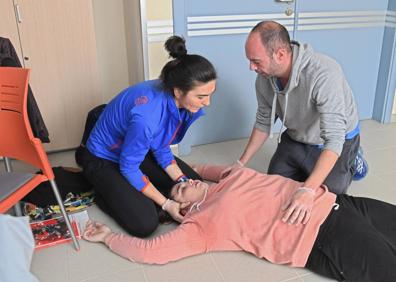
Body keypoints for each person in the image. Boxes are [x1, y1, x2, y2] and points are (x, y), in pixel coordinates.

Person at [83, 164, 396, 282]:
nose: (184, 181)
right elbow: (151, 252)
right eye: (178, 188)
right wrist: (109, 237)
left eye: (183, 179)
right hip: (321, 236)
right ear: (180, 208)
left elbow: (199, 167)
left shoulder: (227, 176)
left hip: (336, 201)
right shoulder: (202, 224)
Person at [76, 35, 217, 237]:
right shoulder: (147, 116)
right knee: (145, 223)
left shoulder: (173, 94)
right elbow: (129, 166)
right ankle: (100, 188)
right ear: (178, 91)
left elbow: (160, 146)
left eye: (211, 94)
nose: (207, 103)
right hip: (103, 158)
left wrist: (183, 179)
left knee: (194, 181)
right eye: (201, 97)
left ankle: (137, 193)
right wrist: (166, 204)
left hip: (134, 150)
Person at [229, 21, 368, 199]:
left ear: (280, 54)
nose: (251, 67)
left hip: (337, 140)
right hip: (299, 136)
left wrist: (307, 189)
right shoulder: (264, 78)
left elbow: (334, 138)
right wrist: (240, 163)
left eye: (256, 61)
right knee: (274, 184)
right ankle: (309, 167)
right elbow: (264, 121)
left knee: (328, 196)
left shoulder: (324, 73)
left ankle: (354, 158)